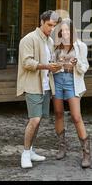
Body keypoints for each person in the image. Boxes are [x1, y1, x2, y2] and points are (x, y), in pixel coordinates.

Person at [17, 10, 62, 169]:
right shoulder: (28, 39)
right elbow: (27, 63)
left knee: (39, 120)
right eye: (49, 25)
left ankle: (31, 151)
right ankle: (25, 153)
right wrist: (47, 66)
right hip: (32, 85)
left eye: (54, 26)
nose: (51, 28)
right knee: (34, 120)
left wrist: (57, 66)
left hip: (46, 86)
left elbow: (50, 63)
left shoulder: (49, 41)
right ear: (41, 22)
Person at [52, 18, 91, 168]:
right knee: (58, 113)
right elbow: (51, 65)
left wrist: (76, 63)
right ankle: (62, 147)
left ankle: (86, 153)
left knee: (76, 116)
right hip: (57, 79)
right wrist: (57, 64)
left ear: (72, 31)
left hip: (72, 81)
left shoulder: (81, 46)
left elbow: (84, 67)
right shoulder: (55, 46)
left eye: (67, 30)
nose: (65, 33)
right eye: (62, 30)